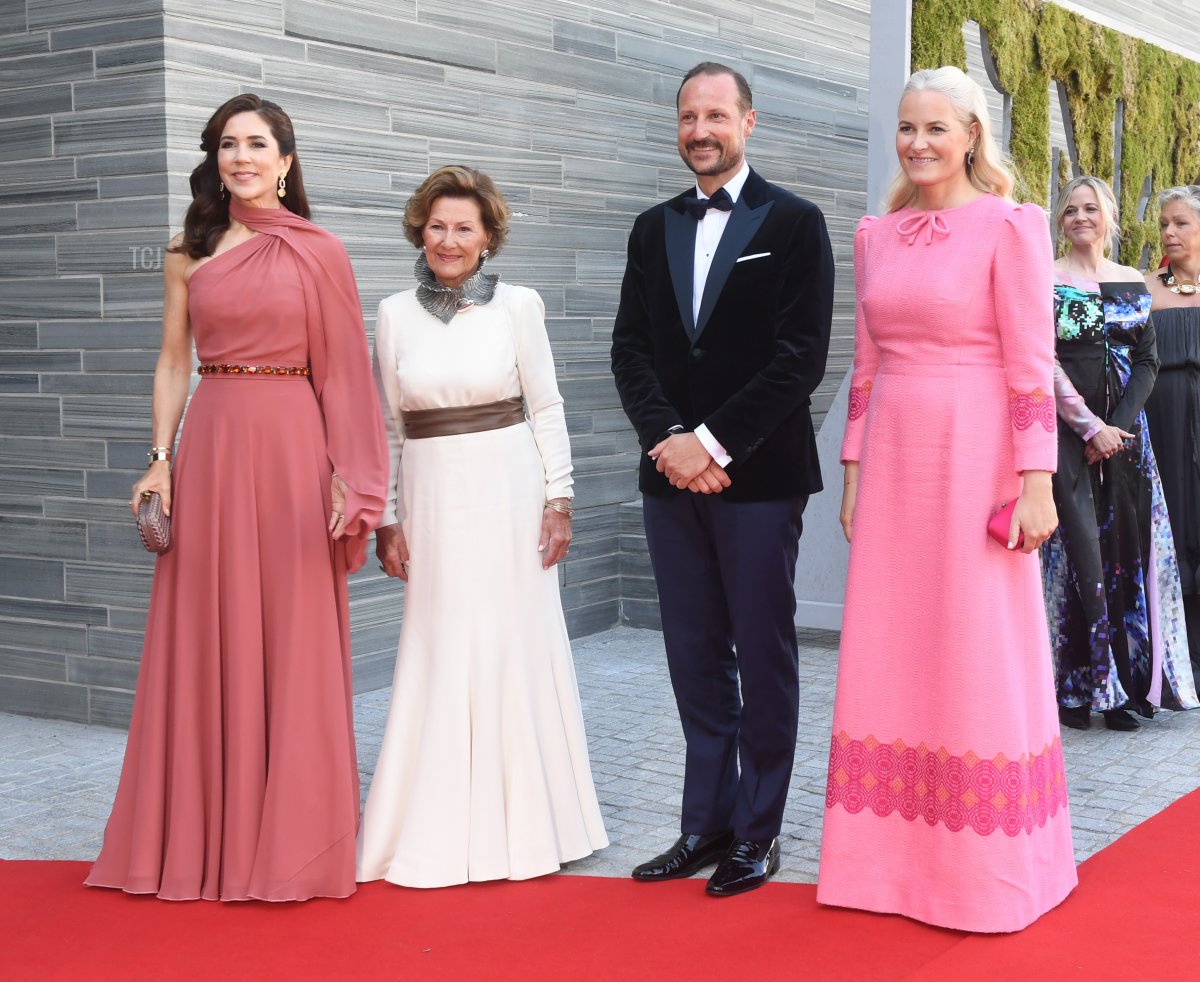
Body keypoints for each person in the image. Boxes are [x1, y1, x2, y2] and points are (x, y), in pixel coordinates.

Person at [85, 95, 389, 901]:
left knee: (289, 632)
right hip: (213, 445)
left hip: (293, 449)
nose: (241, 157)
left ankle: (290, 838)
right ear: (214, 158)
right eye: (228, 144)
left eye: (258, 144)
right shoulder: (187, 250)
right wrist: (159, 459)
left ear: (287, 161)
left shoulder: (321, 252)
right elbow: (172, 361)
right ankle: (199, 837)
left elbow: (345, 373)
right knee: (204, 632)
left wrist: (350, 473)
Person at [817, 66, 1077, 932]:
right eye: (906, 128)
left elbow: (1030, 361)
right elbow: (865, 363)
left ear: (971, 135)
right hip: (894, 460)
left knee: (975, 645)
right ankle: (883, 867)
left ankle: (988, 871)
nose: (918, 143)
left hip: (980, 456)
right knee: (892, 642)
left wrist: (1035, 479)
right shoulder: (874, 235)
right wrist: (852, 469)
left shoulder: (1012, 226)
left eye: (936, 128)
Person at [611, 62, 834, 897]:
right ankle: (704, 823)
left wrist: (711, 443)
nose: (699, 130)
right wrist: (669, 439)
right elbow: (629, 347)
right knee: (694, 654)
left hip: (759, 478)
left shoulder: (797, 222)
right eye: (686, 117)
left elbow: (798, 359)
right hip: (669, 478)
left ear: (748, 122)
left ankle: (759, 831)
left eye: (715, 115)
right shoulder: (651, 227)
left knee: (764, 653)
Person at [356, 165, 608, 888]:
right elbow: (389, 427)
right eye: (437, 225)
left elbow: (548, 407)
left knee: (509, 642)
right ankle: (430, 823)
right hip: (432, 498)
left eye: (464, 227)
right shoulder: (393, 313)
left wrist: (558, 501)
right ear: (418, 229)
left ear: (488, 235)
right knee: (438, 642)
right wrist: (390, 518)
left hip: (509, 490)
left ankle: (531, 824)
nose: (449, 239)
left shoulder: (520, 306)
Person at [1043, 176, 1198, 731]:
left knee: (1127, 553)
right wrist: (1088, 428)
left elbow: (1149, 362)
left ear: (1108, 216)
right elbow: (1043, 359)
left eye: (1090, 208)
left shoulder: (1133, 281)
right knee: (1075, 556)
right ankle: (1074, 686)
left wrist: (1118, 426)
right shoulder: (1047, 279)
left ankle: (1129, 690)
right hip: (1068, 439)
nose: (1080, 217)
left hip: (1128, 444)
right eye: (1070, 210)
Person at [1144, 185, 1200, 691]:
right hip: (1162, 424)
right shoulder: (1145, 288)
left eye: (1180, 222)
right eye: (1164, 223)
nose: (1169, 232)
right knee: (1173, 531)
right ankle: (1177, 663)